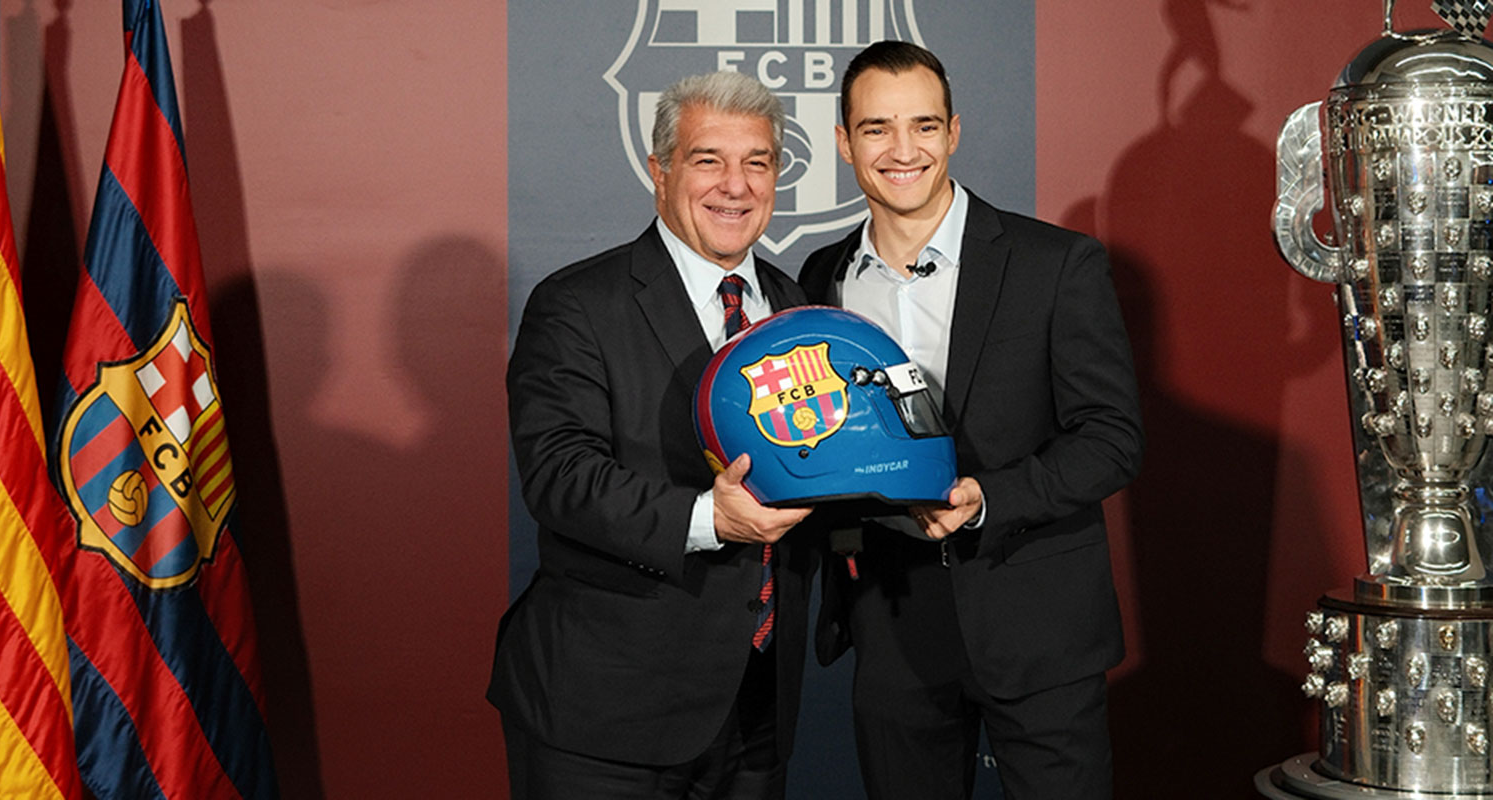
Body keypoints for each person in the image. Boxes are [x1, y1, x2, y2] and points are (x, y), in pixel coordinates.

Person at [797, 41, 1144, 799]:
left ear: (953, 133)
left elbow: (1112, 439)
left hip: (1038, 620)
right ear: (844, 143)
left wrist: (989, 497)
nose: (903, 150)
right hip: (891, 620)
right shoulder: (820, 280)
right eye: (877, 128)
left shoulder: (1055, 263)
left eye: (923, 126)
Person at [489, 70, 814, 800]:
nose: (736, 186)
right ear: (659, 171)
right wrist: (709, 519)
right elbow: (560, 475)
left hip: (757, 707)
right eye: (708, 160)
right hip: (606, 715)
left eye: (757, 162)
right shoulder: (577, 304)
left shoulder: (797, 307)